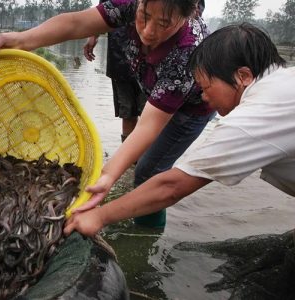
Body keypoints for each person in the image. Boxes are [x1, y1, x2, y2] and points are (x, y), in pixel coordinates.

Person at [0, 0, 214, 228]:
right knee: (140, 159)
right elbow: (75, 23)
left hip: (193, 108)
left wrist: (107, 176)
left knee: (149, 171)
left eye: (164, 24)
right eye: (145, 16)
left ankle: (146, 234)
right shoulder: (131, 5)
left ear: (188, 15)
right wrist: (22, 40)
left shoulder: (187, 51)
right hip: (154, 84)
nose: (149, 31)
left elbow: (149, 127)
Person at [63, 23, 294, 238]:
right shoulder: (284, 82)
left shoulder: (254, 116)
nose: (203, 97)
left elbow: (172, 187)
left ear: (243, 76)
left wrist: (99, 216)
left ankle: (146, 236)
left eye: (205, 87)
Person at [83, 0, 146, 144]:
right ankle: (129, 162)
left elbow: (193, 8)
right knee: (127, 111)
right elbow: (103, 11)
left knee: (151, 112)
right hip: (120, 54)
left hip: (152, 56)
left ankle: (151, 162)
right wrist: (94, 35)